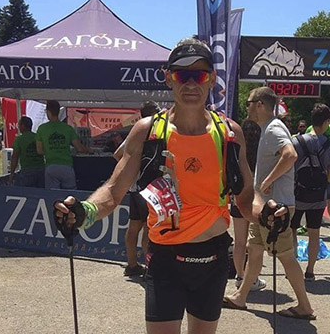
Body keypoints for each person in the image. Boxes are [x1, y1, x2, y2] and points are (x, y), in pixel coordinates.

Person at [54, 38, 283, 334]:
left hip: (212, 258)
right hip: (165, 259)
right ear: (168, 78)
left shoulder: (229, 132)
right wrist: (84, 212)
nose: (191, 83)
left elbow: (246, 199)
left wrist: (267, 214)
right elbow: (113, 191)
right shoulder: (148, 131)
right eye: (182, 74)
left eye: (199, 74)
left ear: (212, 78)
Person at [224, 86, 315, 320]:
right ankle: (241, 296)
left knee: (285, 256)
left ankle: (304, 306)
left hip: (276, 208)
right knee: (254, 251)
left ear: (260, 105)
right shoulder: (268, 128)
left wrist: (266, 181)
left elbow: (290, 155)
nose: (247, 107)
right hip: (265, 207)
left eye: (249, 103)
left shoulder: (274, 128)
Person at [290, 103, 330, 281]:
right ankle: (310, 270)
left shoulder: (296, 142)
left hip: (297, 194)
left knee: (292, 230)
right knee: (314, 233)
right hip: (318, 196)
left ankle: (292, 268)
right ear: (326, 122)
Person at [114, 100, 160, 278]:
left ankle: (132, 264)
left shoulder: (136, 133)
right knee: (149, 229)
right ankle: (150, 268)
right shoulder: (151, 132)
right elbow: (118, 155)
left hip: (135, 188)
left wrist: (131, 169)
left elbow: (117, 154)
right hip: (149, 188)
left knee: (134, 227)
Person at [230, 118, 266, 291]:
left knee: (239, 242)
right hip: (256, 200)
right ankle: (252, 279)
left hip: (238, 198)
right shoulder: (261, 153)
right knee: (255, 244)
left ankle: (240, 276)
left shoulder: (237, 152)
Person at [36, 100, 93, 189]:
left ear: (48, 112)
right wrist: (88, 150)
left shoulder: (42, 129)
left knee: (52, 195)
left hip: (51, 166)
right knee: (70, 193)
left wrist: (50, 151)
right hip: (66, 166)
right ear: (58, 111)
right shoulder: (68, 128)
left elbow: (39, 151)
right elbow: (79, 148)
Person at [9, 116, 45, 188]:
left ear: (23, 126)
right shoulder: (38, 137)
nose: (18, 127)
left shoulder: (19, 140)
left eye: (19, 125)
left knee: (23, 192)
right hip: (41, 171)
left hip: (27, 171)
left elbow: (15, 157)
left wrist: (12, 173)